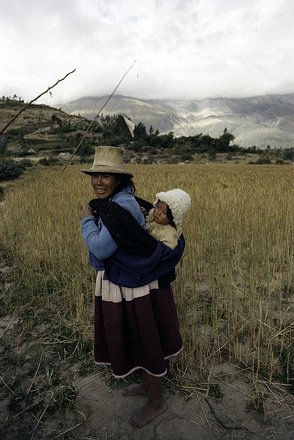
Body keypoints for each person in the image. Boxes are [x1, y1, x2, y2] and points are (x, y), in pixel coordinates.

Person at [80, 146, 187, 428]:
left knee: (145, 337)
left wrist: (86, 220)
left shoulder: (121, 205)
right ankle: (147, 386)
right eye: (95, 175)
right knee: (136, 335)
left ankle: (156, 402)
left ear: (119, 179)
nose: (98, 182)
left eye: (106, 176)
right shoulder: (121, 201)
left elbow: (100, 248)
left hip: (134, 286)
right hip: (125, 282)